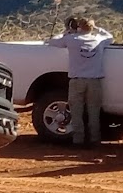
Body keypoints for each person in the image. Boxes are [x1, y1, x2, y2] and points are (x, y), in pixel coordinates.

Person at [48, 14, 115, 146]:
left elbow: (52, 41)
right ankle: (95, 139)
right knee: (94, 111)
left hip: (77, 80)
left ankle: (78, 140)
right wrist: (98, 28)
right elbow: (111, 37)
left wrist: (68, 31)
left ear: (79, 27)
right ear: (91, 27)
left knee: (76, 111)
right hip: (94, 81)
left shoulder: (71, 40)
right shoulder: (99, 40)